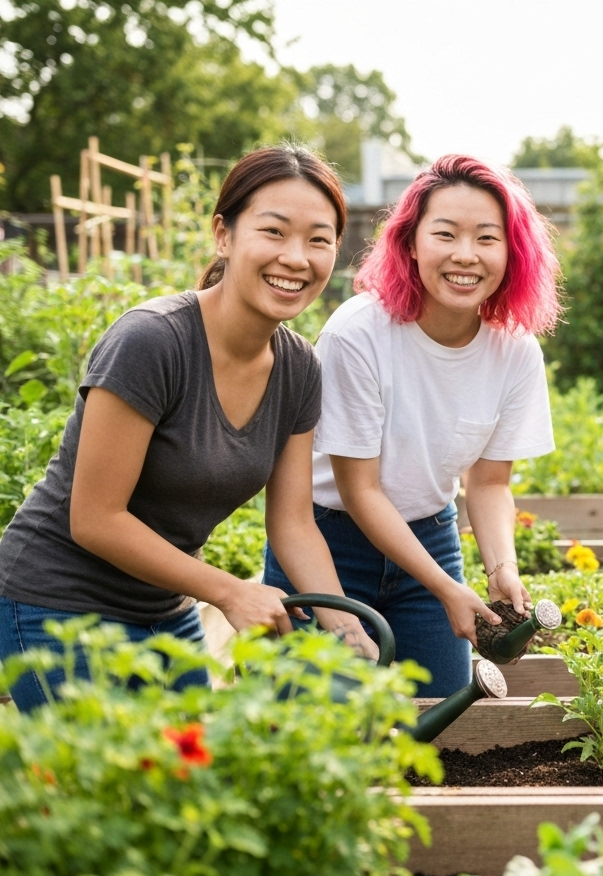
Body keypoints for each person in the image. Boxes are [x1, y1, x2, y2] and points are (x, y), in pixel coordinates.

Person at [0, 145, 378, 712]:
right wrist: (229, 591)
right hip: (55, 604)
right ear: (223, 235)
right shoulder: (152, 341)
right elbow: (95, 518)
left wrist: (346, 629)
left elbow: (294, 522)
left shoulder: (300, 367)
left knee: (189, 785)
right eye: (274, 232)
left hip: (164, 610)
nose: (296, 258)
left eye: (318, 239)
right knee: (104, 794)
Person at [263, 155, 561, 697]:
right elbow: (361, 490)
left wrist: (500, 569)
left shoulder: (515, 353)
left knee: (442, 716)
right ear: (411, 243)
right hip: (329, 540)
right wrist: (448, 589)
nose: (465, 255)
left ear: (512, 252)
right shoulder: (360, 333)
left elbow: (490, 482)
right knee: (319, 721)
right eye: (445, 234)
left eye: (487, 238)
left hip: (430, 535)